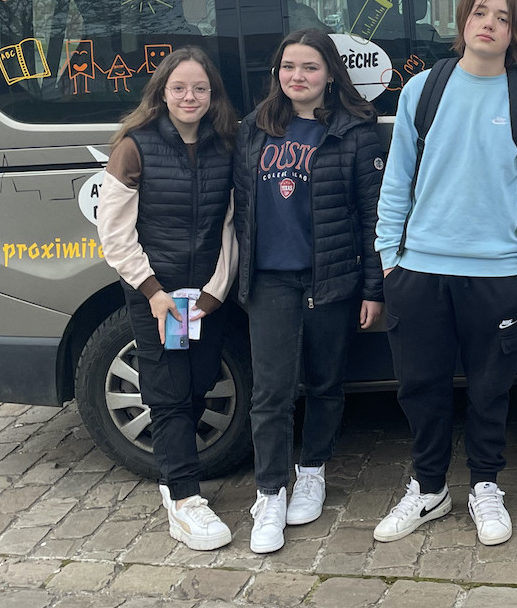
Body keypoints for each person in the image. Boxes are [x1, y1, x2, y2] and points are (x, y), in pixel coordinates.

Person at [371, 0, 517, 546]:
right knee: (420, 388)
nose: (489, 24)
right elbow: (398, 179)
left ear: (516, 34)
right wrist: (389, 258)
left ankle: (484, 486)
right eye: (481, 12)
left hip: (498, 275)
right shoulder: (422, 92)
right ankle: (429, 489)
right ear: (463, 22)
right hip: (418, 270)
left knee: (489, 390)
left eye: (503, 18)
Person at [232, 28, 385, 554]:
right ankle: (271, 491)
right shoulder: (253, 129)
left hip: (331, 278)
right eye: (288, 67)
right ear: (276, 73)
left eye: (310, 68)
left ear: (330, 75)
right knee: (271, 392)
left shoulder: (355, 131)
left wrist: (373, 287)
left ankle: (313, 469)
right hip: (270, 279)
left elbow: (372, 216)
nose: (298, 77)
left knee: (325, 383)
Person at [96, 47, 239, 550]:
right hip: (154, 295)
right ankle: (183, 499)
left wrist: (214, 294)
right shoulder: (134, 147)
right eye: (179, 87)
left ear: (212, 94)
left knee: (200, 382)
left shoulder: (227, 144)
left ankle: (175, 479)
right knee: (169, 392)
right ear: (162, 92)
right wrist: (155, 295)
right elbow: (115, 235)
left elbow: (231, 227)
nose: (190, 97)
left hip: (204, 297)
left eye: (200, 88)